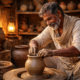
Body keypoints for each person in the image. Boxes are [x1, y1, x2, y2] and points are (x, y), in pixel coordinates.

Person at [29, 2, 80, 80]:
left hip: (77, 62)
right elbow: (37, 40)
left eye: (49, 19)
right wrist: (33, 45)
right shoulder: (52, 27)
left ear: (58, 13)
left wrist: (52, 52)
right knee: (39, 56)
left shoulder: (76, 24)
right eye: (46, 21)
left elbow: (77, 49)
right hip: (63, 61)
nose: (48, 23)